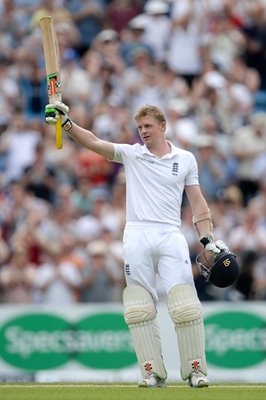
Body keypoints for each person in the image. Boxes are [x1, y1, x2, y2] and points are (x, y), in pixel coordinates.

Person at [45, 100, 229, 388]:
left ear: (163, 126)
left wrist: (207, 239)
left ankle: (196, 371)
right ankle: (152, 372)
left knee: (185, 306)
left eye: (148, 126)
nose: (143, 131)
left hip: (170, 234)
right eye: (139, 127)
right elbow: (93, 142)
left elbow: (197, 202)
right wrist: (66, 124)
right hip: (137, 235)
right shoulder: (132, 154)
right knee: (139, 309)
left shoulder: (185, 159)